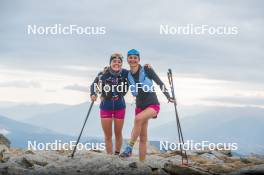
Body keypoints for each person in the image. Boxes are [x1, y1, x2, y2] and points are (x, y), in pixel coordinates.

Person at [120, 49, 174, 161]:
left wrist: (168, 96)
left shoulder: (147, 69)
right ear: (128, 60)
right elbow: (121, 88)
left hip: (153, 105)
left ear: (139, 59)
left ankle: (129, 148)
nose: (133, 60)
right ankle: (142, 163)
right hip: (139, 106)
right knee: (143, 138)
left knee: (138, 119)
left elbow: (159, 83)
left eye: (135, 58)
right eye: (130, 57)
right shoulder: (127, 75)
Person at [90, 53, 128, 155]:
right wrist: (93, 94)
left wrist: (147, 68)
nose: (117, 63)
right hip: (105, 107)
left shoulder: (125, 73)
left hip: (120, 107)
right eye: (114, 61)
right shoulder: (103, 74)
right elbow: (94, 85)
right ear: (110, 63)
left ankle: (116, 154)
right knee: (108, 135)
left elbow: (137, 73)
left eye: (119, 62)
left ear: (122, 63)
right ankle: (109, 156)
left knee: (118, 133)